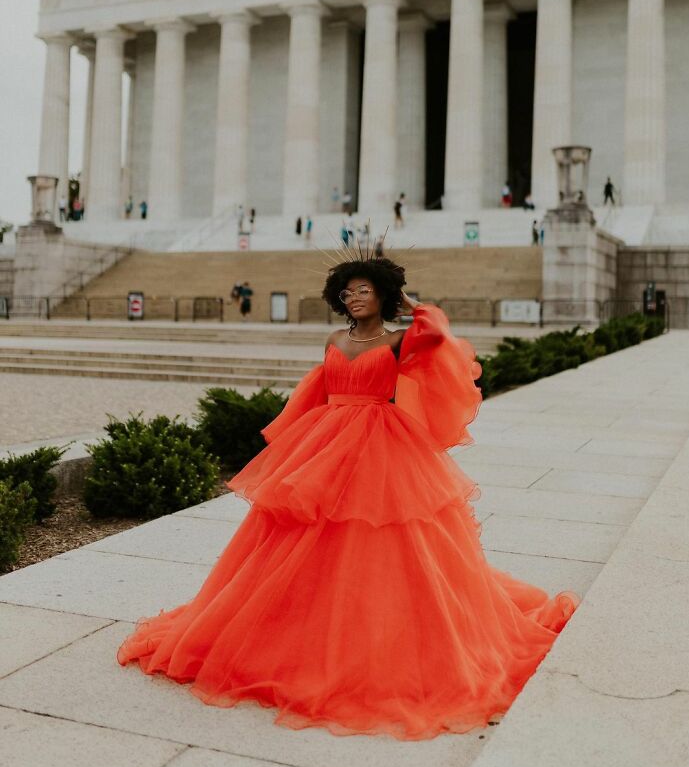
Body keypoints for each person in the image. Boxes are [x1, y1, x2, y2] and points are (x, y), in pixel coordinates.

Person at [117, 253, 580, 740]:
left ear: (382, 293)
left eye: (364, 289)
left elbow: (440, 339)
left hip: (381, 444)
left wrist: (411, 304)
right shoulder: (335, 340)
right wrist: (300, 454)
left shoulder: (400, 340)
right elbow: (316, 394)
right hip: (327, 442)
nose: (354, 297)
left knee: (380, 536)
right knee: (302, 537)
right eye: (347, 291)